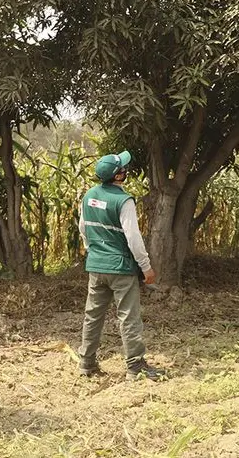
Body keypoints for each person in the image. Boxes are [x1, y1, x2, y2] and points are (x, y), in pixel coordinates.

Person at [77, 150, 166, 381]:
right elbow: (133, 238)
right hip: (120, 268)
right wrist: (145, 266)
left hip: (96, 266)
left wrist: (94, 251)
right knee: (129, 317)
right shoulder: (123, 201)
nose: (126, 170)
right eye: (123, 168)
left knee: (93, 315)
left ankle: (86, 363)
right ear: (118, 176)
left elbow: (83, 229)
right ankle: (135, 367)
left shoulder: (88, 196)